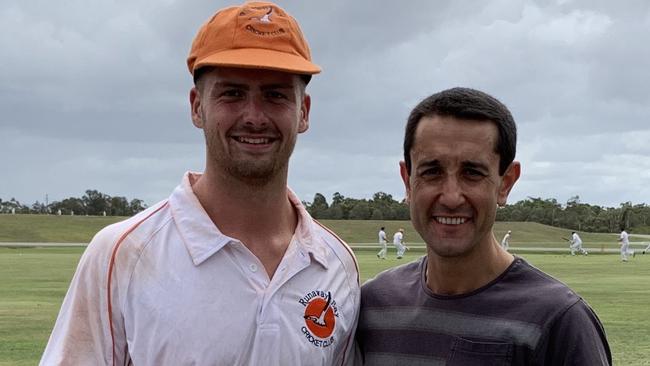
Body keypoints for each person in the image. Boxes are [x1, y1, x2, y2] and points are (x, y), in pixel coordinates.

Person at [40, 2, 360, 365]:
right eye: (232, 93)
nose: (254, 116)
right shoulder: (122, 253)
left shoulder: (336, 265)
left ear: (303, 112)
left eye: (275, 95)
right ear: (197, 107)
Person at [356, 88, 611, 365]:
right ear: (407, 180)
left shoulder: (558, 320)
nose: (451, 197)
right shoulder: (373, 305)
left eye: (472, 173)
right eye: (432, 171)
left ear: (506, 183)